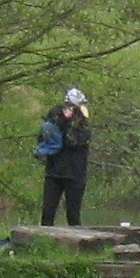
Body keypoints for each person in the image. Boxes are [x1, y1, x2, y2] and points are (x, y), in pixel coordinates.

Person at [37, 87, 92, 226]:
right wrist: (59, 119)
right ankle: (44, 243)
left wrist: (67, 123)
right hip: (54, 173)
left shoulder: (83, 125)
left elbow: (73, 141)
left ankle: (78, 245)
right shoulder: (54, 118)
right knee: (47, 213)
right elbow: (43, 137)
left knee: (73, 215)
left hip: (75, 174)